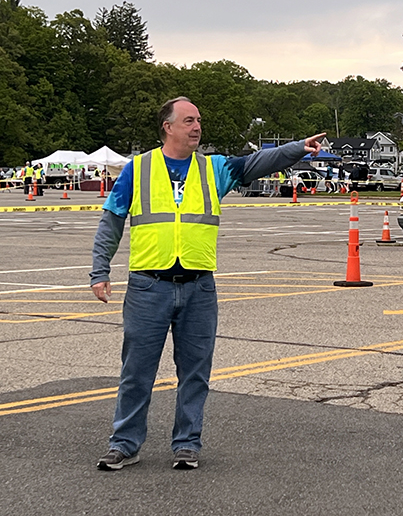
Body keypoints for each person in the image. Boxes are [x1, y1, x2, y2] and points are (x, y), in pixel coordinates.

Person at [90, 96, 324, 471]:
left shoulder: (213, 169)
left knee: (195, 372)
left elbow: (256, 163)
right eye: (188, 121)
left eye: (198, 120)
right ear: (168, 127)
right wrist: (99, 271)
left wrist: (297, 148)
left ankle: (187, 444)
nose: (197, 126)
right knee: (136, 372)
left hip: (199, 287)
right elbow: (111, 222)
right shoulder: (138, 169)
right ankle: (125, 443)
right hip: (149, 287)